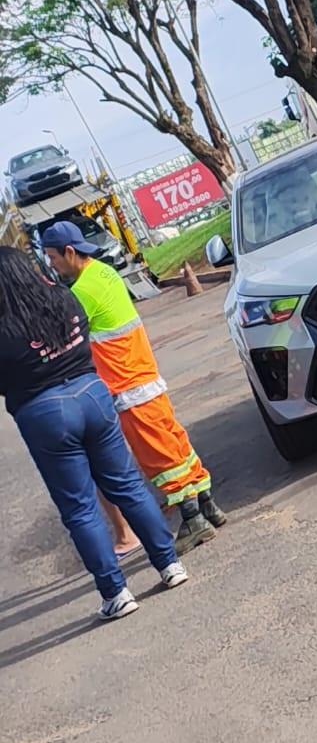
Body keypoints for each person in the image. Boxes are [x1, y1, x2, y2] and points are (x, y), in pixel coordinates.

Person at [0, 247, 187, 620]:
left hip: (44, 412)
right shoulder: (64, 299)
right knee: (128, 485)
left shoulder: (6, 327)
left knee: (80, 508)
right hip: (93, 393)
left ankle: (116, 593)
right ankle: (169, 565)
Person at [41, 222, 226, 554]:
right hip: (146, 376)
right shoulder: (105, 274)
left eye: (52, 257)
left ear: (70, 253)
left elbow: (60, 334)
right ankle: (208, 504)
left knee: (159, 456)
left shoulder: (82, 293)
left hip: (127, 386)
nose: (51, 264)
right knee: (176, 442)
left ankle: (193, 520)